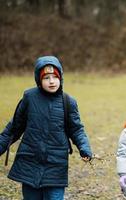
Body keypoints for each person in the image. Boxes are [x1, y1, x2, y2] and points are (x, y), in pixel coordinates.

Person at [0, 56, 93, 200]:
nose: (51, 81)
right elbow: (14, 128)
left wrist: (84, 148)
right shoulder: (29, 98)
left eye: (55, 77)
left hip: (56, 164)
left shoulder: (68, 102)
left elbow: (76, 129)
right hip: (30, 161)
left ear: (60, 78)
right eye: (46, 78)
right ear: (38, 79)